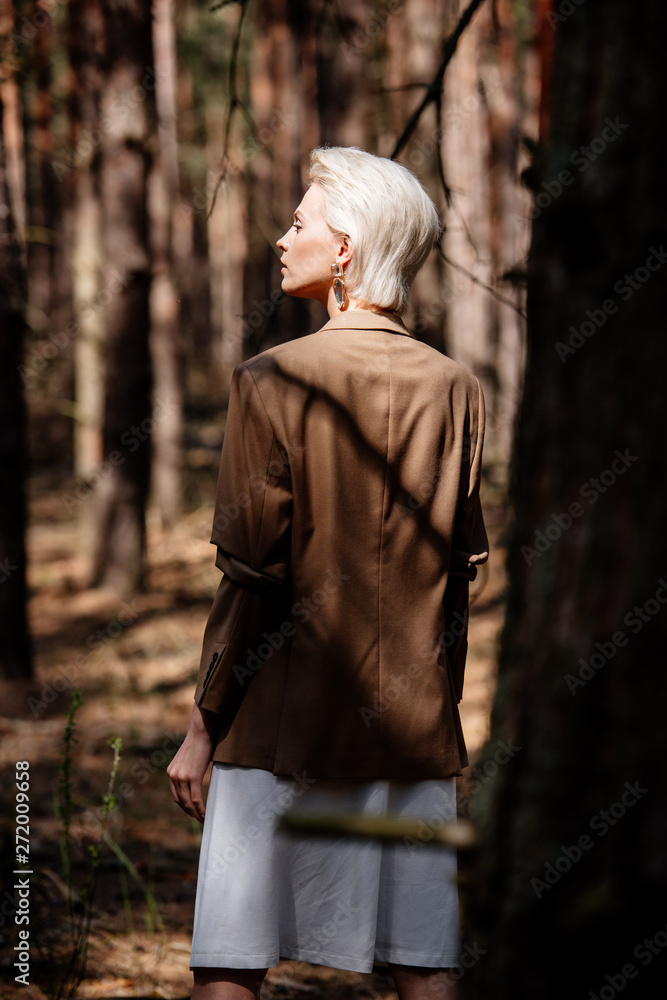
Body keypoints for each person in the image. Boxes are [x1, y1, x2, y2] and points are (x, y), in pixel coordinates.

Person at [167, 146, 488, 1000]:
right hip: (413, 734)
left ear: (343, 248)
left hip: (280, 727)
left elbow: (251, 576)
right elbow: (458, 579)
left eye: (298, 222)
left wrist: (202, 726)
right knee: (424, 962)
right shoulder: (455, 388)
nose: (282, 239)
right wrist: (437, 711)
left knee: (230, 960)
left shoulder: (269, 379)